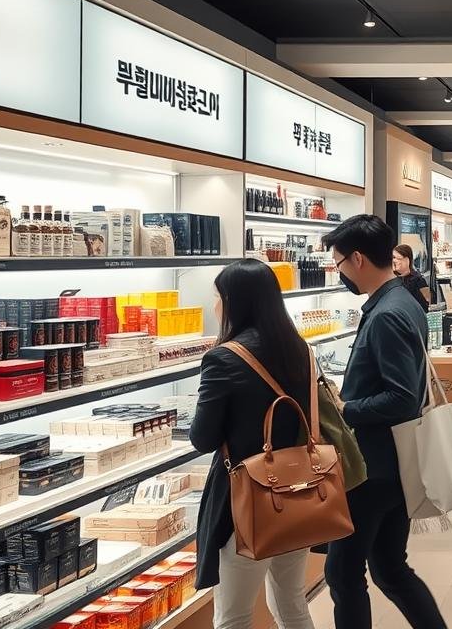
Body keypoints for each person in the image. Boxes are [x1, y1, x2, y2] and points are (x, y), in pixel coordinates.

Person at [321, 216, 447, 629]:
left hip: (373, 468)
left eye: (339, 263)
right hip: (395, 460)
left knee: (343, 572)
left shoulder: (387, 313)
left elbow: (400, 398)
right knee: (391, 568)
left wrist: (346, 408)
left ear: (357, 259)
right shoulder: (400, 301)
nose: (338, 272)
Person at [190, 260, 316, 629]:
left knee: (233, 616)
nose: (214, 304)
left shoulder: (223, 358)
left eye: (217, 296)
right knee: (292, 603)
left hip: (248, 500)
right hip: (299, 490)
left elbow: (203, 437)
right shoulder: (300, 349)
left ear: (232, 301)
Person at [392, 244, 431, 312]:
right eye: (393, 258)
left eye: (397, 258)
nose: (394, 261)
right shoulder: (392, 280)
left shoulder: (419, 280)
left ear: (407, 260)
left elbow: (427, 303)